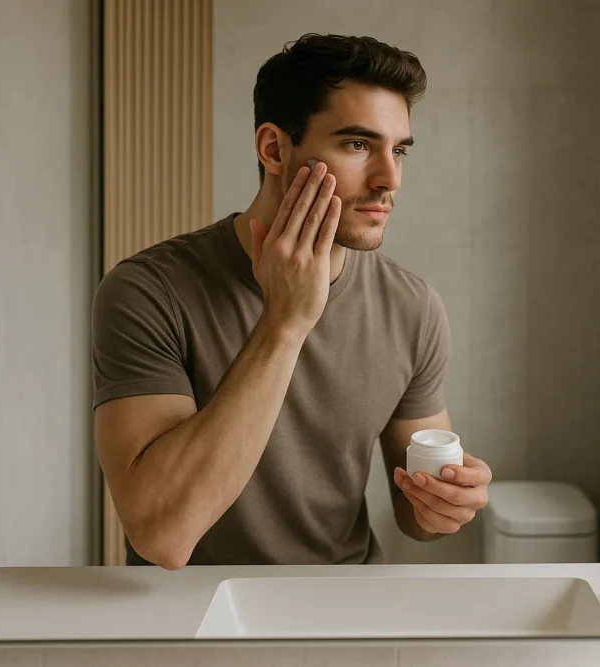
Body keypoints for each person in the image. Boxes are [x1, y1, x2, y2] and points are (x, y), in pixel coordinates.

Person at [91, 33, 492, 569]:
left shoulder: (412, 306)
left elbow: (415, 514)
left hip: (340, 610)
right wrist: (284, 323)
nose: (388, 179)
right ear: (275, 149)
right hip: (191, 615)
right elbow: (163, 535)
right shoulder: (148, 292)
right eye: (357, 145)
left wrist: (446, 503)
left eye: (398, 150)